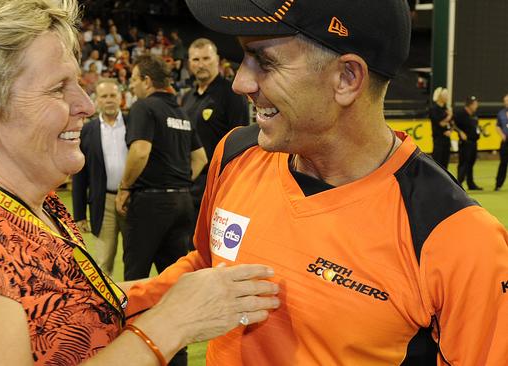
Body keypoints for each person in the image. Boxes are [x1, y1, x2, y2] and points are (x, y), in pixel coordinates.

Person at [0, 1, 281, 365]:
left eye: (77, 83)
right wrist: (170, 324)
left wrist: (185, 288)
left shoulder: (32, 207)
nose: (86, 105)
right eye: (58, 88)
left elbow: (77, 312)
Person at [125, 0, 508, 365]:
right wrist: (105, 302)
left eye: (265, 61)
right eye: (243, 58)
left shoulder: (458, 238)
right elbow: (207, 267)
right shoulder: (237, 154)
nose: (241, 82)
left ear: (347, 77)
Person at [116, 54, 207, 283]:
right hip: (183, 203)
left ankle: (131, 319)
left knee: (135, 276)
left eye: (135, 79)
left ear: (147, 81)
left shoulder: (143, 107)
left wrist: (125, 187)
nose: (132, 85)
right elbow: (200, 158)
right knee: (174, 277)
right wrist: (179, 182)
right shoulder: (181, 112)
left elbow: (140, 151)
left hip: (150, 203)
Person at [181, 38, 250, 225]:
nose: (201, 64)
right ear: (189, 63)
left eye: (206, 58)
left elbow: (241, 143)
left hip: (218, 185)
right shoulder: (188, 97)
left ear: (217, 60)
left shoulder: (232, 94)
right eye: (195, 60)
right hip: (190, 185)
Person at [73, 78, 128, 276]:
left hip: (132, 200)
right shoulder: (88, 130)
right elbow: (80, 175)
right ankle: (107, 306)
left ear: (121, 98)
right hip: (102, 202)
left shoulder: (134, 124)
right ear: (97, 101)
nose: (109, 100)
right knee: (104, 261)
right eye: (104, 96)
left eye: (113, 95)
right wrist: (79, 215)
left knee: (134, 258)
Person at [454, 96, 483, 190]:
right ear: (469, 105)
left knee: (471, 163)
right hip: (465, 143)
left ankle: (471, 184)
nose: (476, 106)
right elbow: (453, 124)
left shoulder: (473, 115)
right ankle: (459, 183)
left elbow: (474, 126)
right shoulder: (460, 114)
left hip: (473, 143)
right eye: (475, 104)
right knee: (463, 163)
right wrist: (460, 132)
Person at [428, 87, 453, 169]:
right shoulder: (434, 109)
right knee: (437, 164)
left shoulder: (446, 109)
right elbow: (441, 123)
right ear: (440, 96)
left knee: (445, 165)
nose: (447, 97)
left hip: (447, 140)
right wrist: (449, 116)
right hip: (438, 140)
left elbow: (451, 124)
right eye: (445, 95)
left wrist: (450, 130)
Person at [495, 93, 508, 191]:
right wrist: (502, 135)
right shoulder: (501, 113)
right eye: (505, 101)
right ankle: (498, 184)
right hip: (505, 141)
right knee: (503, 163)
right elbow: (497, 126)